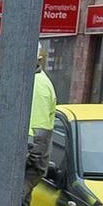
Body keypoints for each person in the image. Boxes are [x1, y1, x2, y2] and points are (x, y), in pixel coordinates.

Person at [28, 46, 58, 182]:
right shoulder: (30, 81)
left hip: (26, 169)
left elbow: (38, 135)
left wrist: (28, 162)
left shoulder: (37, 86)